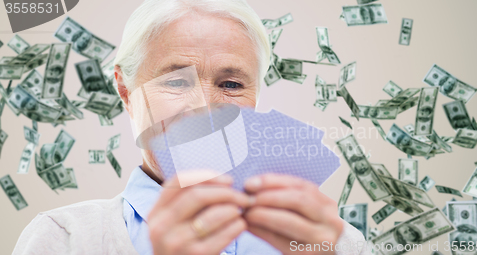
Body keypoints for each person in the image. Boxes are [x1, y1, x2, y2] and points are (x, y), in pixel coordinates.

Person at [13, 0, 366, 254]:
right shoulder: (64, 239)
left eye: (231, 85)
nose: (204, 107)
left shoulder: (339, 244)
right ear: (125, 90)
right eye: (177, 82)